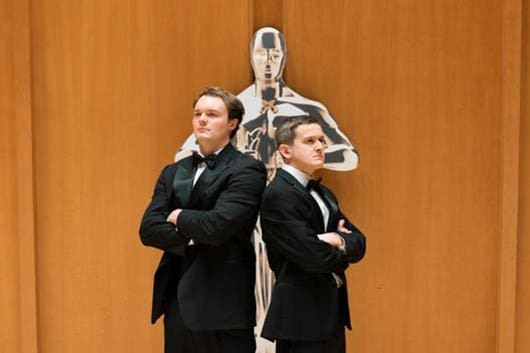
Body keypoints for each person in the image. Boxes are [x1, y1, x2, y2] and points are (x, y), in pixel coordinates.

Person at [139, 87, 267, 353]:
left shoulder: (248, 169)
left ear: (232, 123)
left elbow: (218, 226)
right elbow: (149, 229)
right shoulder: (173, 171)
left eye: (212, 114)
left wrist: (178, 216)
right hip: (177, 300)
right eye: (198, 114)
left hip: (224, 304)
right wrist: (196, 234)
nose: (202, 120)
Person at [260, 115, 366, 353]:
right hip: (301, 316)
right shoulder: (278, 194)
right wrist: (337, 250)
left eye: (321, 139)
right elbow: (314, 257)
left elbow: (359, 242)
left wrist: (337, 239)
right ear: (286, 151)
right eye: (309, 141)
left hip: (329, 311)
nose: (320, 146)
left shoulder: (324, 193)